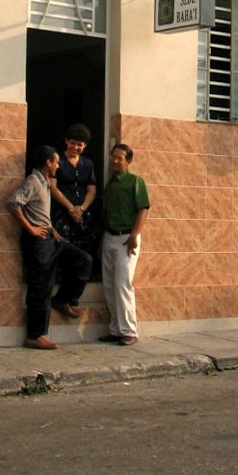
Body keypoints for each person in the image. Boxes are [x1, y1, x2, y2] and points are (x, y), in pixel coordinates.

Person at [6, 145, 64, 349]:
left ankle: (65, 299)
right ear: (48, 162)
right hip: (38, 242)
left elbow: (40, 211)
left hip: (49, 236)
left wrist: (51, 228)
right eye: (56, 161)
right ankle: (34, 335)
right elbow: (13, 203)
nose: (58, 165)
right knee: (40, 286)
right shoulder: (33, 181)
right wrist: (30, 228)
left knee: (82, 260)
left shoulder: (45, 183)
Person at [98, 143, 150, 347]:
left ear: (128, 162)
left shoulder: (135, 182)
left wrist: (134, 235)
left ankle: (129, 331)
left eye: (119, 158)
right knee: (109, 285)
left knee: (123, 284)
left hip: (127, 238)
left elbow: (143, 209)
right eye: (113, 157)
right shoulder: (110, 186)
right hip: (109, 237)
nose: (115, 161)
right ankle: (115, 330)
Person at [48, 124, 96, 318]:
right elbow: (53, 187)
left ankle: (71, 297)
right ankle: (61, 296)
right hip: (62, 215)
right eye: (73, 143)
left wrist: (82, 208)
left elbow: (92, 189)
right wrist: (70, 207)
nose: (76, 147)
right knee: (64, 253)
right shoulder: (57, 162)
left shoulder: (88, 165)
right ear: (66, 141)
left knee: (84, 257)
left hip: (82, 216)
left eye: (80, 145)